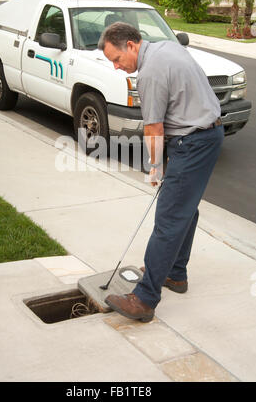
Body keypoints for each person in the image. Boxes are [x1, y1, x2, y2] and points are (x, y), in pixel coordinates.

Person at [98, 22, 224, 323]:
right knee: (184, 208)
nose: (117, 67)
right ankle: (176, 274)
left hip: (193, 141)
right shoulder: (167, 47)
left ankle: (144, 299)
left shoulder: (150, 73)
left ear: (131, 45)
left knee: (168, 217)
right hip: (207, 134)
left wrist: (155, 168)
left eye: (117, 59)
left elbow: (154, 127)